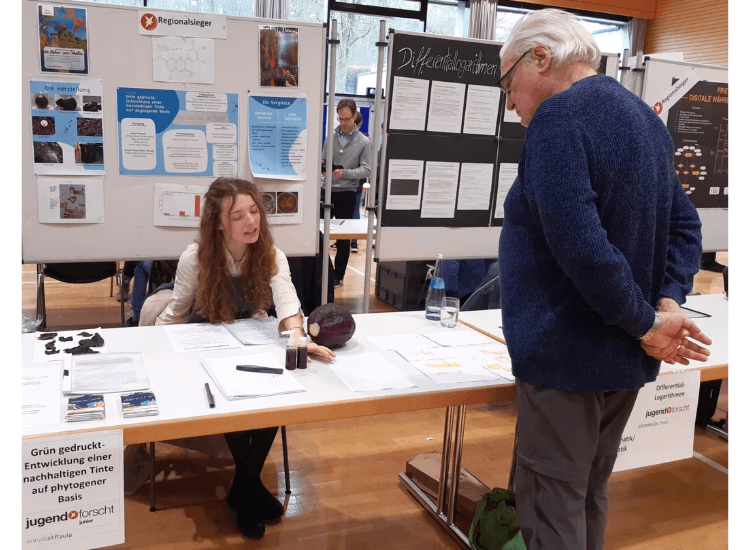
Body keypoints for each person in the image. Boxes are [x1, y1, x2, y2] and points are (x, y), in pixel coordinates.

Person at [496, 9, 712, 550]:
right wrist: (666, 301)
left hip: (568, 358)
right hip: (620, 361)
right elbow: (687, 224)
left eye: (508, 81)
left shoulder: (558, 119)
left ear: (540, 57)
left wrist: (646, 321)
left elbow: (582, 245)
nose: (509, 100)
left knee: (551, 507)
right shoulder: (644, 119)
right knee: (587, 492)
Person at [155, 177, 335, 540]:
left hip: (250, 339)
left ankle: (245, 485)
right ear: (218, 222)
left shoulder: (270, 254)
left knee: (273, 390)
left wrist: (299, 338)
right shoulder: (196, 257)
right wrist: (150, 344)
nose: (251, 221)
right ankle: (249, 488)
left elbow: (286, 302)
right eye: (238, 216)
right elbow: (176, 311)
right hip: (206, 341)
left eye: (254, 211)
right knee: (229, 394)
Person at [321, 98, 371, 287]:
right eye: (340, 119)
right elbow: (324, 160)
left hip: (347, 193)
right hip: (326, 190)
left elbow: (367, 170)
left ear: (355, 116)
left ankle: (338, 275)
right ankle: (325, 271)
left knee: (343, 239)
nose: (343, 123)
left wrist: (346, 174)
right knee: (319, 233)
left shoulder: (364, 142)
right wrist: (323, 168)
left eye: (347, 119)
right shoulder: (331, 137)